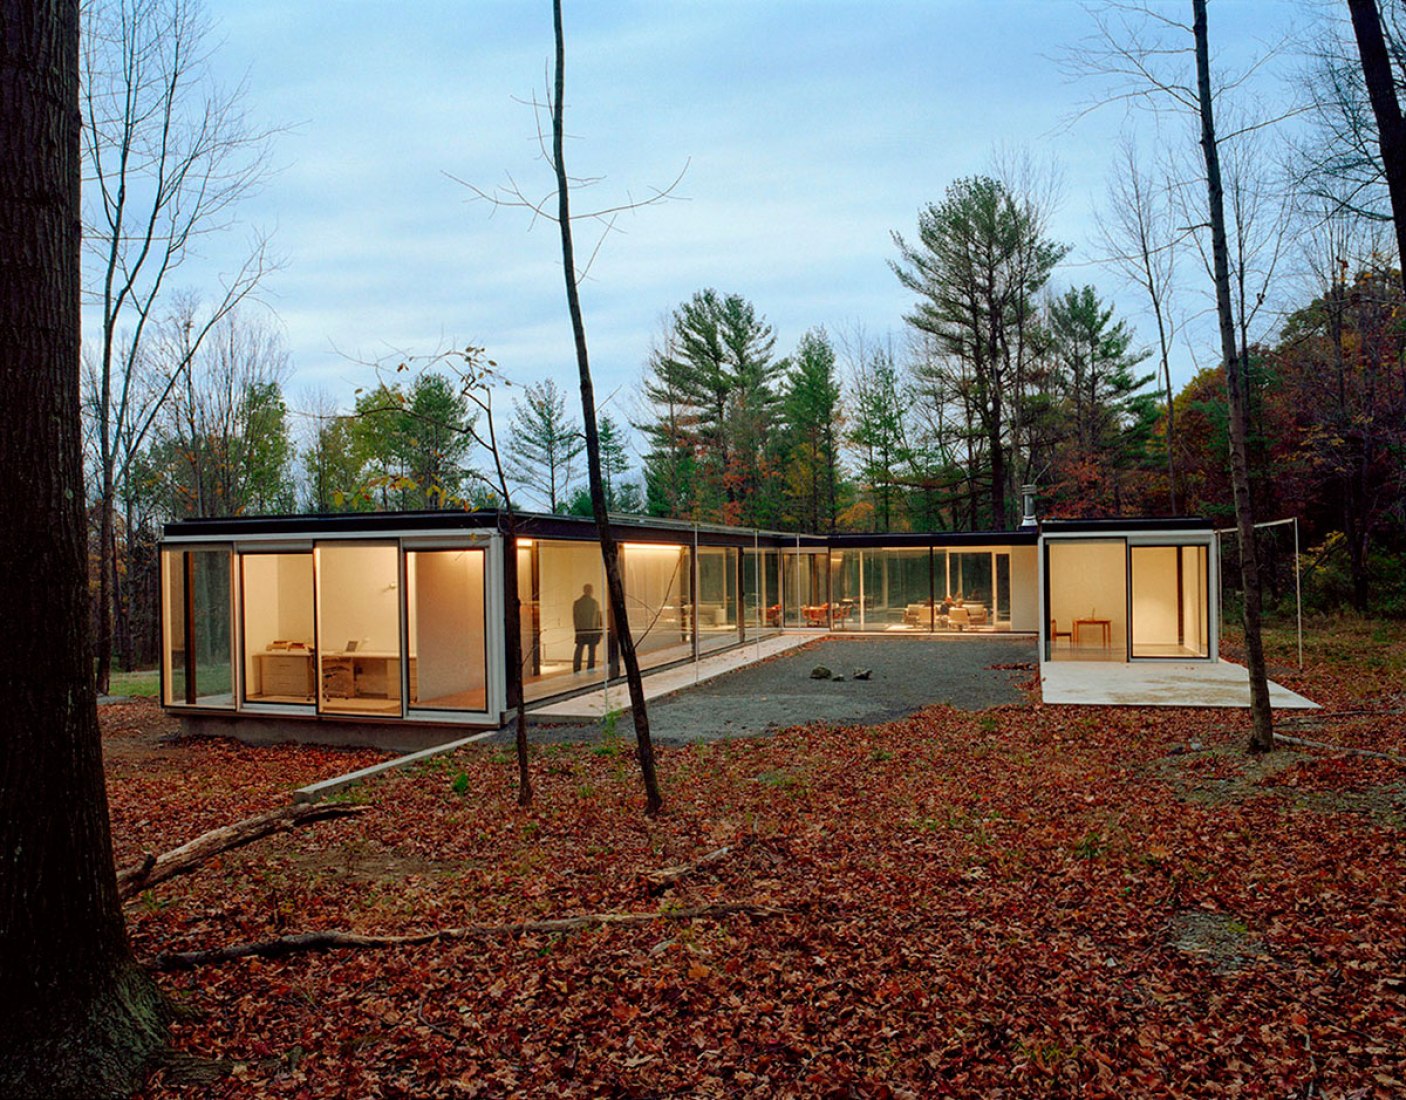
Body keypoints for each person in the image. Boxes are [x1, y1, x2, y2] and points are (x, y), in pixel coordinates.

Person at [572, 583, 603, 673]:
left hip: (581, 630)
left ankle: (577, 667)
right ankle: (590, 668)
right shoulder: (594, 603)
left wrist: (577, 630)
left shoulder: (577, 603)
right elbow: (598, 619)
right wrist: (599, 631)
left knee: (580, 649)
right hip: (591, 630)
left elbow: (575, 618)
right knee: (591, 650)